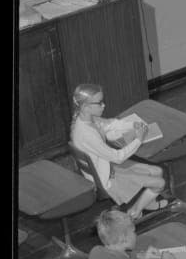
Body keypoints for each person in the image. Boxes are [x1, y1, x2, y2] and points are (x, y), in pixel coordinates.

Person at [69, 82, 168, 219]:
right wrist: (138, 140)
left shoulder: (88, 119)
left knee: (157, 171)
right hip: (107, 179)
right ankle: (134, 212)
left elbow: (111, 125)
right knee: (160, 183)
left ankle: (147, 203)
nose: (104, 105)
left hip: (107, 167)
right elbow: (118, 157)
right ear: (86, 107)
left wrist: (133, 124)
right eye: (99, 103)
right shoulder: (86, 134)